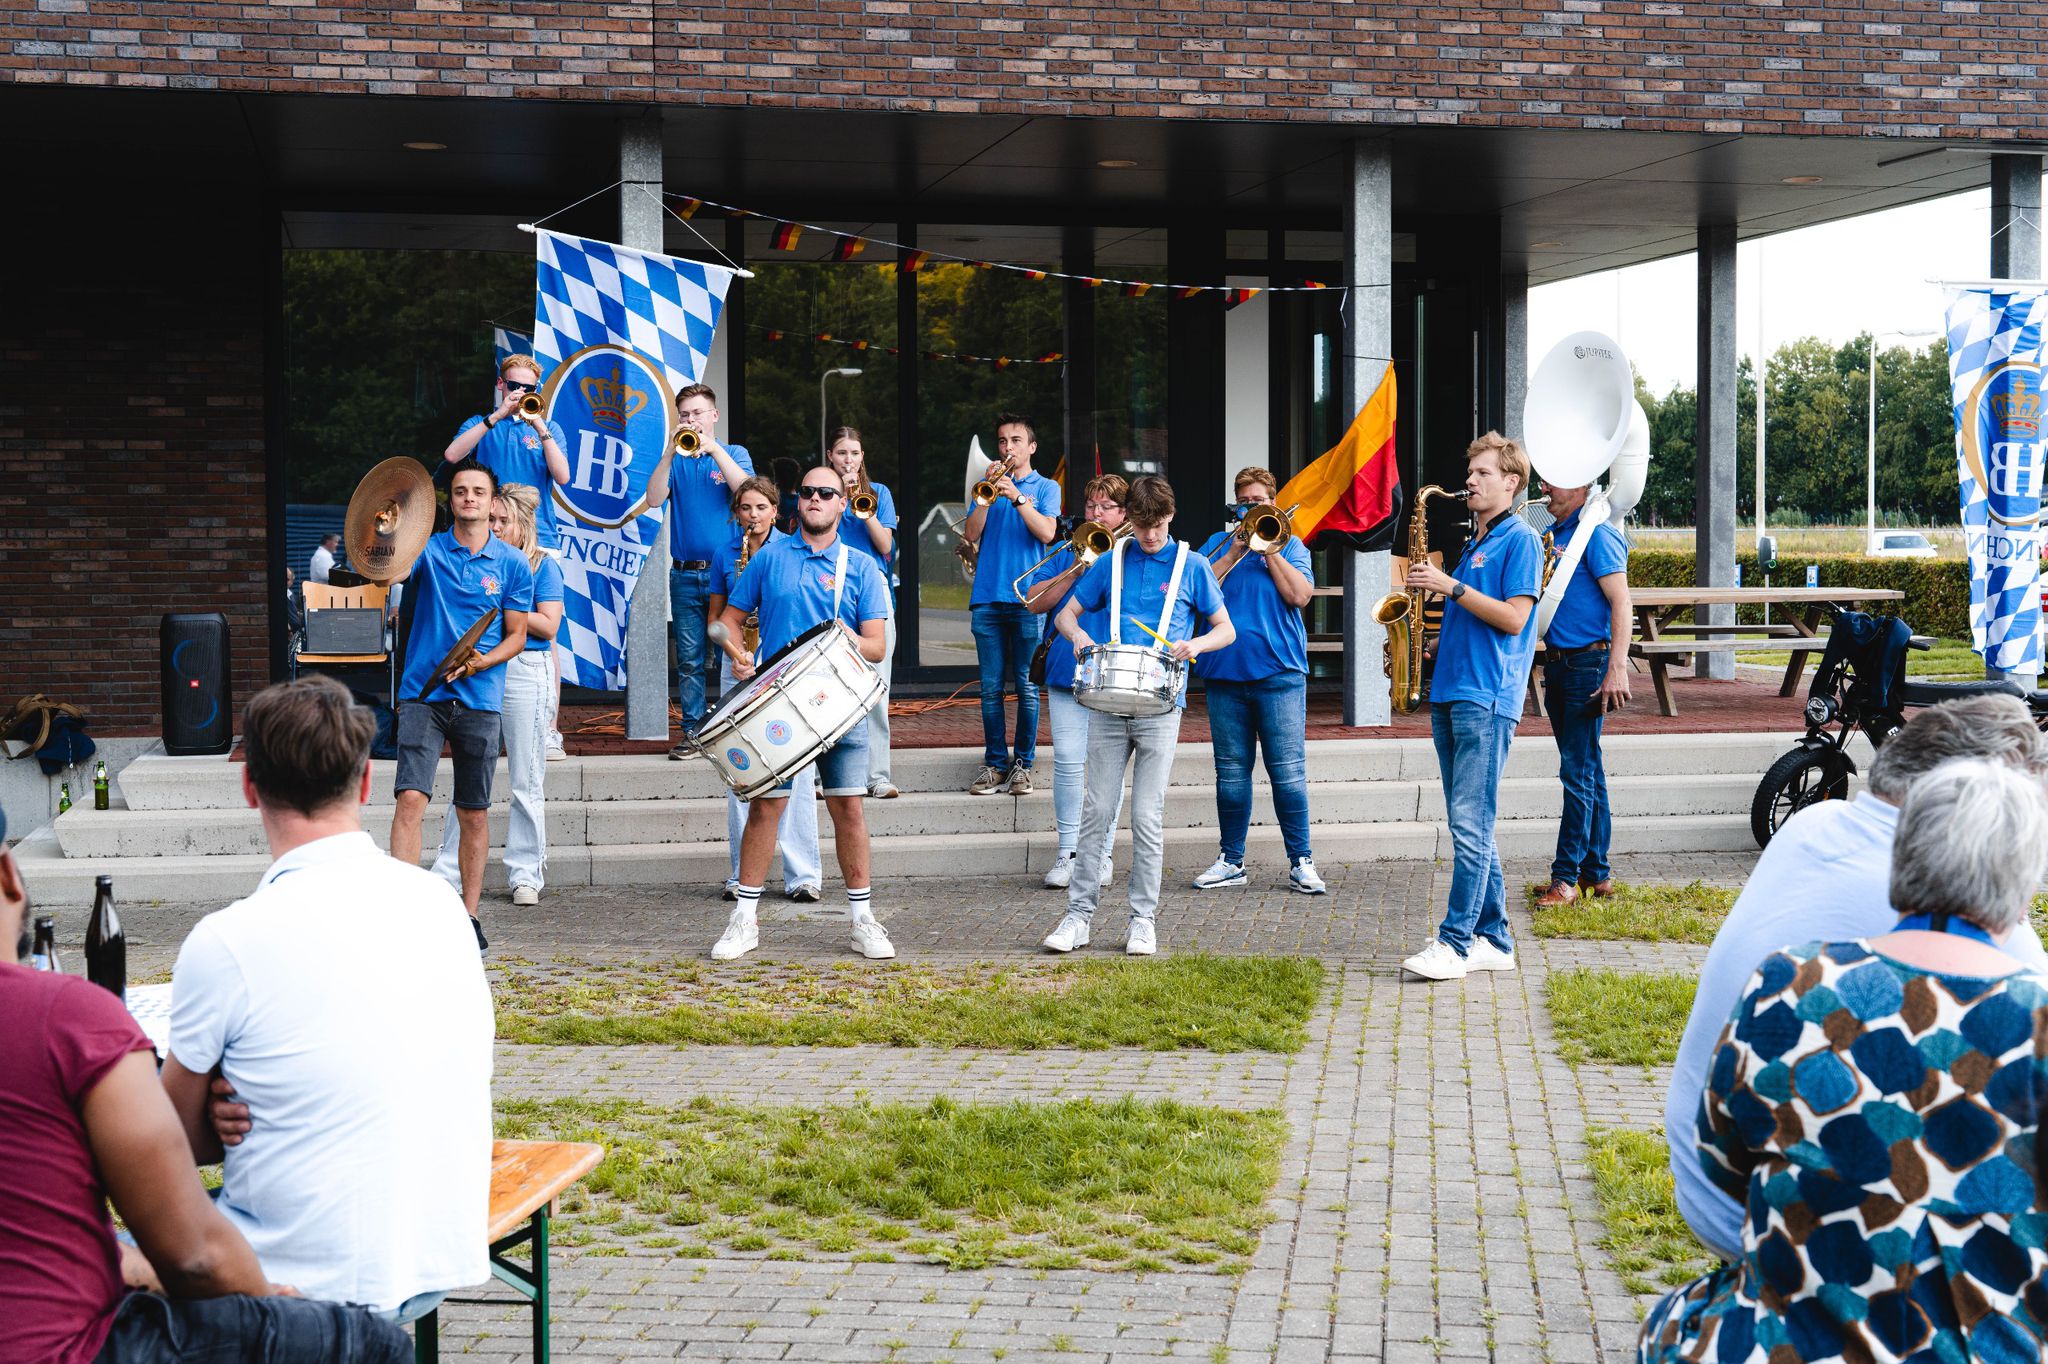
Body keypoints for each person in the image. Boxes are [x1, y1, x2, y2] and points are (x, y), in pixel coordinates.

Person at [1641, 757, 2048, 1364]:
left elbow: (1725, 1158)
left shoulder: (1790, 981)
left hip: (1779, 1342)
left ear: (1902, 858)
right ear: (2023, 889)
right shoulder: (2036, 1019)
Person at [0, 799, 412, 1363]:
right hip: (66, 1347)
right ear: (8, 875)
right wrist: (269, 1303)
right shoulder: (69, 1017)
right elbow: (192, 1252)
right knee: (374, 1344)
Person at [158, 676, 492, 1326]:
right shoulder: (443, 907)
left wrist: (214, 1101)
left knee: (91, 1262)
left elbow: (173, 1142)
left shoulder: (227, 942)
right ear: (366, 783)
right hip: (432, 1254)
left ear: (250, 786)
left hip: (294, 1277)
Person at [1041, 476, 1233, 957]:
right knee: (1097, 811)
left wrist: (1197, 644)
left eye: (1159, 525)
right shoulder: (1111, 561)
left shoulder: (1193, 566)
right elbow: (1067, 614)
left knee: (1147, 816)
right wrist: (1079, 638)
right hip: (1108, 703)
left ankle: (1142, 921)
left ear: (1171, 517)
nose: (1150, 535)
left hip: (1161, 708)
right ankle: (1078, 916)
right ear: (1130, 518)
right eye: (1143, 525)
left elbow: (1225, 629)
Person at [714, 463, 895, 963]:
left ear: (842, 504)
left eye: (827, 493)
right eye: (808, 492)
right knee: (766, 809)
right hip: (778, 705)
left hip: (839, 703)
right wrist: (735, 651)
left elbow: (877, 647)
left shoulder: (861, 567)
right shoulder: (770, 558)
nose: (815, 499)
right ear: (798, 503)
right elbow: (725, 622)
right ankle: (743, 920)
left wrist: (849, 636)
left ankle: (862, 920)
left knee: (849, 810)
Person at [1401, 432, 1543, 982]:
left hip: (1486, 698)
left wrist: (1449, 586)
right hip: (1453, 691)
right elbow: (1482, 619)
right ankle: (1496, 938)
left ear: (1511, 482)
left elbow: (1514, 618)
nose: (1471, 481)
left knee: (1469, 822)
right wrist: (1434, 642)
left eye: (1483, 473)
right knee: (1474, 823)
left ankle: (1455, 942)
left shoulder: (1520, 540)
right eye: (1471, 472)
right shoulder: (1477, 541)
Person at [387, 461, 535, 943]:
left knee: (473, 810)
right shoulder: (428, 551)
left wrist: (479, 664)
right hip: (421, 694)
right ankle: (405, 912)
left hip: (480, 696)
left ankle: (468, 917)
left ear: (494, 503)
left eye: (478, 492)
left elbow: (516, 636)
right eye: (459, 491)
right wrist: (389, 526)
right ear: (449, 501)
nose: (469, 498)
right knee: (411, 798)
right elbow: (391, 568)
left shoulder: (512, 563)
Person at [1190, 466, 1325, 896]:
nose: (1251, 507)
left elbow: (1300, 596)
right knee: (1230, 775)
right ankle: (1231, 861)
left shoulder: (1294, 546)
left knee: (1287, 775)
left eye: (1258, 501)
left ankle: (1301, 862)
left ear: (1273, 503)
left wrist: (1269, 550)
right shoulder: (1217, 545)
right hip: (1224, 675)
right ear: (1236, 506)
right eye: (1244, 501)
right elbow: (1195, 591)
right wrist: (1235, 551)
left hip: (1279, 673)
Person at [429, 485, 564, 907]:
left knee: (525, 776)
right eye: (493, 520)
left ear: (523, 523)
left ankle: (525, 873)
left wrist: (511, 606)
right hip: (480, 670)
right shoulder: (480, 559)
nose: (497, 527)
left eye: (503, 520)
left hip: (525, 669)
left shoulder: (541, 565)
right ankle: (447, 870)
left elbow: (550, 624)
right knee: (469, 774)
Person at [707, 474, 822, 904]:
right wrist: (737, 654)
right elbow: (716, 619)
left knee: (799, 770)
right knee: (739, 770)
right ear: (736, 513)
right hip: (738, 663)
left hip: (782, 665)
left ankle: (803, 874)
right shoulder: (724, 554)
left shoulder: (792, 551)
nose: (752, 516)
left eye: (760, 508)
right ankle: (741, 873)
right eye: (745, 509)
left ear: (776, 511)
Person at [1023, 475, 1130, 889]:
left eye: (1105, 507)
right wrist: (1075, 568)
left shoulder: (1132, 552)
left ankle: (1100, 854)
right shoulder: (1065, 550)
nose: (1096, 513)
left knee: (1107, 767)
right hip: (1068, 667)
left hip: (1114, 669)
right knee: (1068, 762)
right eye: (1090, 506)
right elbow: (1033, 600)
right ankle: (1068, 851)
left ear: (1123, 513)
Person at [1530, 475, 1632, 907]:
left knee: (1577, 772)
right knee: (1589, 769)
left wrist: (1616, 669)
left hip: (1586, 665)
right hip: (1560, 665)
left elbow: (1622, 602)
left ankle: (1566, 880)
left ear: (1581, 486)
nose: (1543, 489)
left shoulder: (1598, 535)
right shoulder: (1553, 535)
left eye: (1552, 482)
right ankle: (1597, 874)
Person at [960, 413, 1061, 796]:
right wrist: (986, 492)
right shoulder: (985, 487)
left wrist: (1016, 495)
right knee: (989, 689)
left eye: (1016, 440)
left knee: (1027, 686)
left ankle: (1023, 765)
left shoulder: (1047, 487)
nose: (1008, 448)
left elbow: (1048, 532)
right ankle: (994, 764)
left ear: (1031, 447)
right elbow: (971, 534)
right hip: (986, 597)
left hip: (1027, 599)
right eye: (1003, 441)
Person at [666, 383, 754, 748]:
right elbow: (654, 497)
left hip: (728, 572)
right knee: (689, 660)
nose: (691, 420)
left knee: (735, 651)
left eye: (698, 413)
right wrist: (668, 453)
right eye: (685, 415)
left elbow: (748, 491)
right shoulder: (677, 460)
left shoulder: (733, 452)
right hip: (685, 572)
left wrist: (714, 448)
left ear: (714, 415)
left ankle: (734, 725)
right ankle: (693, 731)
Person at [826, 427, 903, 800]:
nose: (848, 459)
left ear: (862, 456)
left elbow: (885, 544)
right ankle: (825, 773)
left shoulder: (880, 494)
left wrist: (863, 503)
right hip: (832, 593)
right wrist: (838, 497)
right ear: (830, 456)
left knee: (876, 689)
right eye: (841, 452)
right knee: (827, 688)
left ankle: (877, 775)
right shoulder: (822, 492)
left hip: (873, 595)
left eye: (854, 453)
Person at [440, 354, 571, 551]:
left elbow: (563, 477)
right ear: (501, 383)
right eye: (514, 385)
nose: (520, 393)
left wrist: (539, 426)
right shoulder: (479, 423)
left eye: (528, 389)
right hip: (486, 534)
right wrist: (498, 416)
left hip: (537, 535)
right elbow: (451, 455)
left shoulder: (550, 429)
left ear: (536, 390)